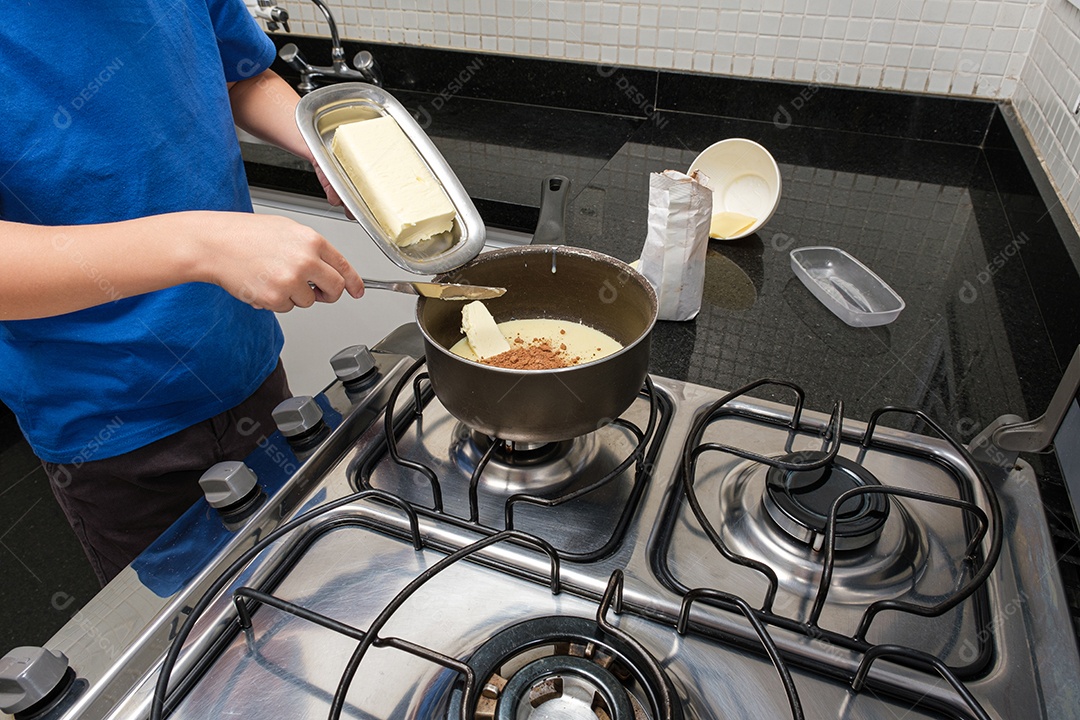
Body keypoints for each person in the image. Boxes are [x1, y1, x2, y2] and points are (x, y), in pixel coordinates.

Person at [0, 2, 362, 585]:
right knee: (195, 649)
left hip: (244, 365)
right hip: (112, 426)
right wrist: (201, 244)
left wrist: (325, 141)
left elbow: (242, 73)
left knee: (296, 591)